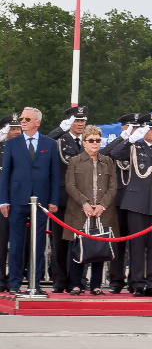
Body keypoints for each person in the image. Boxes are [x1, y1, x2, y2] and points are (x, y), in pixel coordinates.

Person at [108, 113, 152, 296]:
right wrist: (130, 139)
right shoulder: (134, 147)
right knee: (137, 246)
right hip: (136, 204)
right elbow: (114, 154)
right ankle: (137, 282)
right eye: (150, 128)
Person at [0, 107, 60, 296]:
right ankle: (15, 282)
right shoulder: (13, 144)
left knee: (38, 242)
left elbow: (54, 175)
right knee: (16, 243)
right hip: (17, 199)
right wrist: (3, 201)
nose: (23, 121)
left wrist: (53, 200)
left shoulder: (49, 144)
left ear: (37, 122)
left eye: (27, 118)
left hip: (41, 201)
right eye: (22, 118)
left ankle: (35, 281)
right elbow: (6, 174)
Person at [63, 125, 119, 296]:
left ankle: (96, 285)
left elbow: (113, 186)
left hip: (102, 212)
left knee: (99, 249)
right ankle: (76, 284)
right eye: (91, 140)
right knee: (78, 248)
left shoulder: (107, 161)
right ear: (84, 142)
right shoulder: (75, 161)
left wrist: (102, 205)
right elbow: (70, 185)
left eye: (98, 140)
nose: (95, 143)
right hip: (79, 212)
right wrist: (84, 203)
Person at [46, 105, 89, 293]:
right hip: (63, 198)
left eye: (82, 120)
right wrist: (60, 129)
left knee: (81, 241)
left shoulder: (89, 140)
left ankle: (77, 280)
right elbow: (44, 142)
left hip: (85, 199)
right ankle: (59, 280)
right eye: (76, 120)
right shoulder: (60, 139)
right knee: (60, 242)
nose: (80, 124)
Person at [100, 113, 143, 293]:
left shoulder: (140, 145)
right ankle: (116, 279)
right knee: (117, 242)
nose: (134, 131)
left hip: (136, 201)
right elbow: (104, 155)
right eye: (131, 127)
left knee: (137, 243)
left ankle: (136, 280)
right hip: (117, 200)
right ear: (124, 128)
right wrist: (124, 138)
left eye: (136, 127)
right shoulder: (118, 145)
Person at [0, 114, 21, 291]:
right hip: (1, 201)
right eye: (12, 129)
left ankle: (15, 279)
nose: (15, 132)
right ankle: (0, 278)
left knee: (17, 243)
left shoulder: (23, 147)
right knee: (1, 241)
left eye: (17, 129)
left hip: (18, 200)